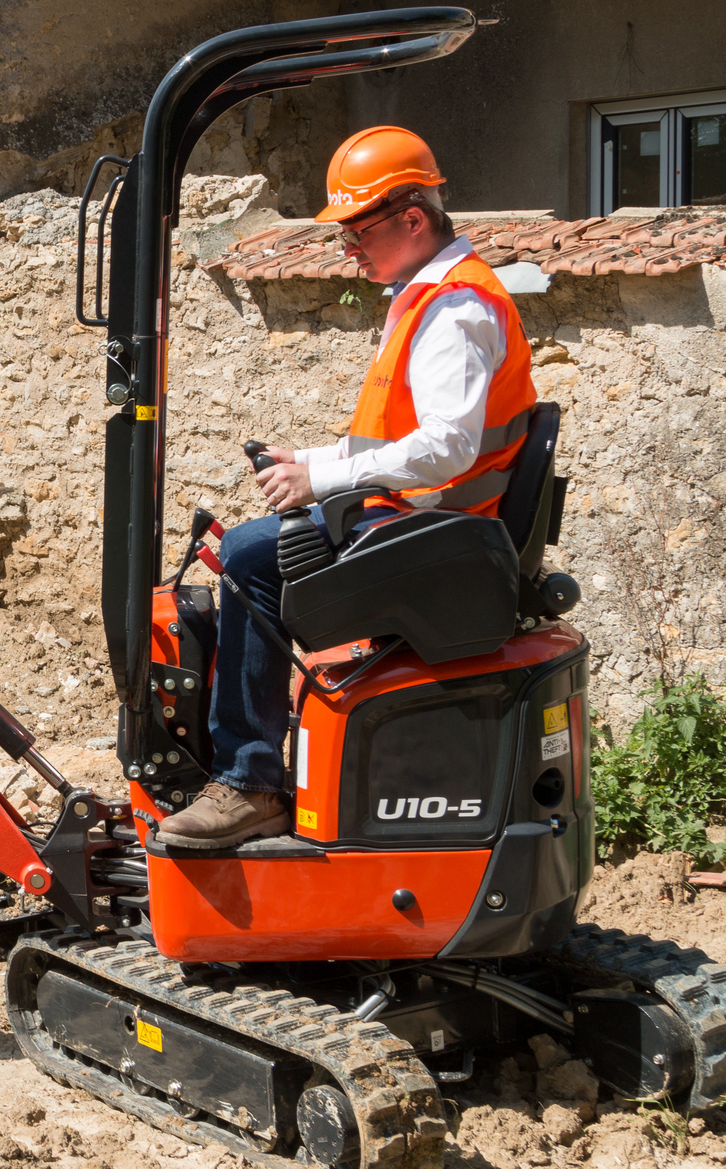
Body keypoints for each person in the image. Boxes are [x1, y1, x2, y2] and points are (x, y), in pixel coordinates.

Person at [157, 126, 537, 849]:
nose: (348, 249)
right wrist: (311, 458)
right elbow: (404, 440)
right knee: (252, 546)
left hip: (439, 535)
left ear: (414, 219)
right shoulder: (434, 295)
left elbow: (446, 448)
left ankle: (247, 782)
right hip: (430, 524)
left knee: (245, 561)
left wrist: (320, 479)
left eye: (359, 231)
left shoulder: (454, 310)